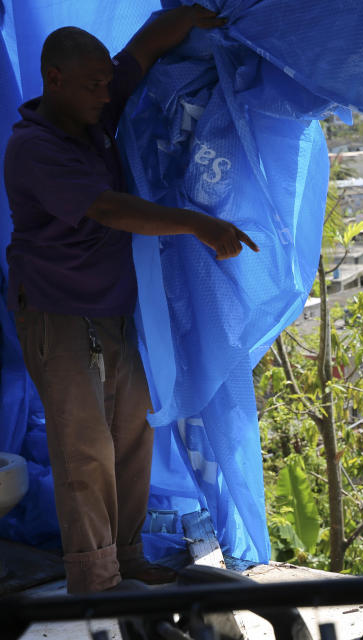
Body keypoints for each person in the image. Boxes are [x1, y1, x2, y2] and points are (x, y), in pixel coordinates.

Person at [3, 6, 258, 594]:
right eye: (92, 84)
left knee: (132, 430)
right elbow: (110, 210)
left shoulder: (91, 110)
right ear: (53, 79)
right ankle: (94, 579)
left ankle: (127, 555)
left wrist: (197, 15)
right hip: (56, 312)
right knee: (83, 446)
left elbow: (142, 49)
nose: (104, 92)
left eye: (104, 82)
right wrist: (198, 224)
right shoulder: (35, 149)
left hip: (109, 307)